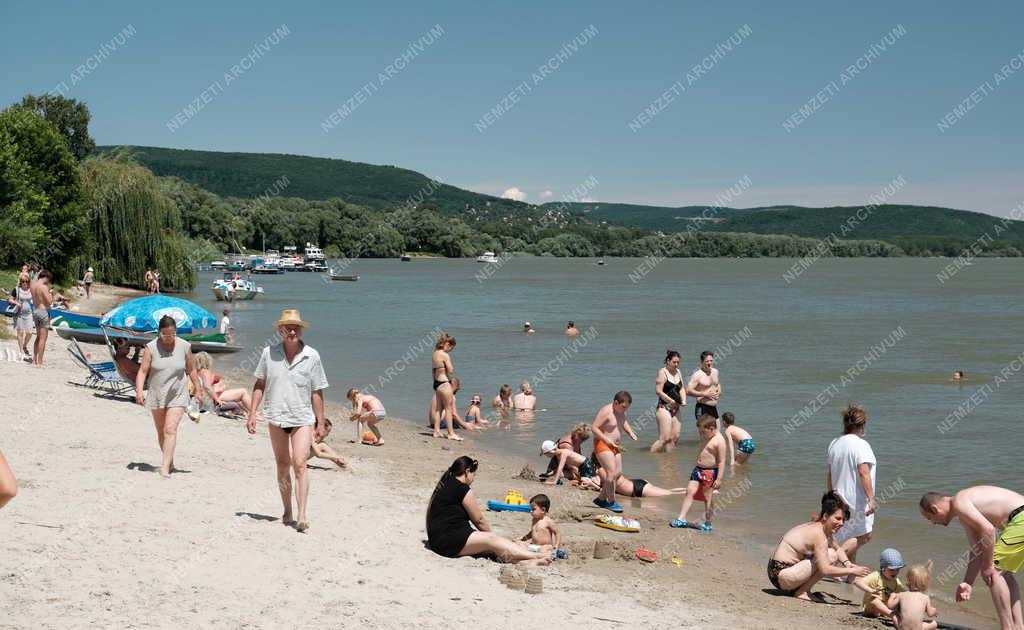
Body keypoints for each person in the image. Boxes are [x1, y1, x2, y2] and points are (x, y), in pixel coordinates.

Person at [246, 309, 328, 533]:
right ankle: (287, 511)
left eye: (296, 327)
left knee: (300, 463)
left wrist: (320, 422)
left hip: (302, 418)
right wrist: (252, 412)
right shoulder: (268, 353)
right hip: (276, 417)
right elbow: (260, 384)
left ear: (301, 330)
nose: (292, 331)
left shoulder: (312, 356)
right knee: (282, 465)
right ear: (280, 330)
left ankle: (302, 515)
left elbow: (317, 391)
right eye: (288, 327)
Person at [919, 486, 1024, 630]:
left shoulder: (959, 501)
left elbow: (989, 530)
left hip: (1021, 518)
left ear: (935, 509)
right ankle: (1018, 627)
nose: (932, 523)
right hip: (1018, 520)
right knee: (1005, 575)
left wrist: (988, 566)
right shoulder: (964, 514)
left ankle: (1007, 627)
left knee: (994, 572)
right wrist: (968, 583)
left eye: (930, 518)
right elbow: (977, 551)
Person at [425, 456, 551, 565]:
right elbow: (479, 520)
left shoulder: (445, 483)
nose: (473, 478)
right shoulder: (462, 489)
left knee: (492, 549)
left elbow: (431, 513)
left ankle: (527, 562)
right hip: (449, 542)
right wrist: (491, 537)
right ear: (467, 471)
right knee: (493, 542)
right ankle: (535, 556)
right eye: (474, 474)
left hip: (437, 539)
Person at [767, 491, 871, 601]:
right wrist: (852, 571)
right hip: (782, 576)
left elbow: (838, 548)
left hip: (776, 572)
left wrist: (848, 564)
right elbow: (825, 570)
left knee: (832, 552)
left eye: (843, 520)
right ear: (826, 516)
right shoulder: (819, 534)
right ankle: (802, 592)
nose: (841, 523)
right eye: (838, 518)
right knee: (831, 555)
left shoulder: (819, 527)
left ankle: (800, 589)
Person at [135, 315, 203, 478]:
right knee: (161, 432)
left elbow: (191, 369)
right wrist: (138, 391)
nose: (168, 338)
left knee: (170, 429)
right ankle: (169, 461)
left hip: (177, 394)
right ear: (159, 333)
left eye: (172, 334)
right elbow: (143, 371)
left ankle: (164, 468)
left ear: (175, 332)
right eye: (165, 335)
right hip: (157, 393)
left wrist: (198, 389)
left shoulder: (185, 346)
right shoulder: (151, 348)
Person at [827, 404, 877, 565]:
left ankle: (851, 576)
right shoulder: (861, 445)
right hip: (856, 499)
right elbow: (863, 472)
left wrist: (831, 496)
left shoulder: (834, 443)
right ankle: (829, 562)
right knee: (865, 535)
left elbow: (830, 473)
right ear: (862, 425)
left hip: (838, 496)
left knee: (850, 535)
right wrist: (871, 499)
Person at [671, 414, 726, 531]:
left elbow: (721, 461)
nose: (701, 434)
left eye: (703, 432)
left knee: (707, 498)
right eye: (700, 432)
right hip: (698, 469)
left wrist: (719, 478)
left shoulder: (719, 441)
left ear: (712, 429)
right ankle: (681, 518)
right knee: (689, 491)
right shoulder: (705, 434)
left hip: (710, 472)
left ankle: (708, 522)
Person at [590, 391, 637, 513]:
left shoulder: (621, 411)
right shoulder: (606, 411)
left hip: (615, 446)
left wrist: (630, 432)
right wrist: (607, 440)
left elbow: (623, 421)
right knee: (610, 473)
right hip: (602, 443)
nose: (625, 409)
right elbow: (594, 428)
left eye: (627, 407)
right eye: (624, 406)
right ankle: (610, 502)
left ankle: (601, 499)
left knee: (617, 473)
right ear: (616, 403)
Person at [581, 459, 687, 498]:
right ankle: (689, 490)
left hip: (637, 489)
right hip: (637, 484)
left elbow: (610, 490)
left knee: (669, 494)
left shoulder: (601, 470)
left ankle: (691, 492)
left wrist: (592, 484)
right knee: (668, 491)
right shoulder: (608, 467)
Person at [852, 547, 907, 620]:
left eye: (898, 569)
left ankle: (905, 616)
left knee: (902, 601)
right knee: (874, 600)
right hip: (871, 610)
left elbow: (904, 593)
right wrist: (871, 590)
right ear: (883, 568)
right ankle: (892, 615)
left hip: (885, 609)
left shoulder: (896, 581)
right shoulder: (876, 576)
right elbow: (857, 582)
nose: (895, 572)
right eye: (892, 570)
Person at [651, 349, 685, 452]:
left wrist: (683, 400)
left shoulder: (678, 372)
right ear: (668, 361)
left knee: (675, 437)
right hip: (663, 408)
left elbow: (682, 388)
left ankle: (669, 462)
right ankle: (652, 456)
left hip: (676, 408)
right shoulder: (662, 373)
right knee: (665, 439)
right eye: (674, 362)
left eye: (678, 362)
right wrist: (671, 401)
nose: (676, 364)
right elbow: (658, 391)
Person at [888, 562, 939, 630]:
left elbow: (890, 606)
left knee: (893, 614)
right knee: (934, 623)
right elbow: (930, 614)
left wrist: (892, 596)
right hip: (918, 628)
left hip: (902, 628)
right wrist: (934, 611)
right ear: (925, 584)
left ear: (908, 581)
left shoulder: (901, 594)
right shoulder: (925, 598)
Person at [430, 333, 462, 441]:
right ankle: (451, 433)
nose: (450, 350)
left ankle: (436, 431)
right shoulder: (444, 355)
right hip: (444, 382)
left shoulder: (434, 353)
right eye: (451, 348)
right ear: (448, 344)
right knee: (448, 409)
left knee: (438, 409)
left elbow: (433, 371)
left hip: (436, 383)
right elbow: (451, 369)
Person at [686, 350, 721, 424]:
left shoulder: (715, 372)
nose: (709, 363)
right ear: (702, 362)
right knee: (705, 434)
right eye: (707, 361)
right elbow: (688, 391)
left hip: (714, 408)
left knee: (717, 433)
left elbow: (717, 384)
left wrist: (719, 391)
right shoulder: (697, 375)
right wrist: (704, 394)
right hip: (702, 408)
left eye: (711, 361)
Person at [29, 269, 53, 366]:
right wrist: (51, 294)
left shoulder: (33, 285)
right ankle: (40, 361)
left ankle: (34, 360)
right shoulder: (43, 287)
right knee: (43, 338)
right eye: (49, 279)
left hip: (35, 311)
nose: (48, 282)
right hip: (43, 312)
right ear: (46, 277)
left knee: (38, 337)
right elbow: (49, 302)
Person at [8, 272, 34, 358]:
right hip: (19, 314)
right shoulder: (16, 289)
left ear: (29, 282)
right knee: (20, 332)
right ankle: (21, 350)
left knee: (30, 332)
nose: (25, 283)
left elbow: (34, 299)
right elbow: (10, 299)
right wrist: (16, 303)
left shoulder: (31, 289)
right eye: (23, 281)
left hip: (29, 314)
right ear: (20, 282)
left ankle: (24, 345)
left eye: (27, 281)